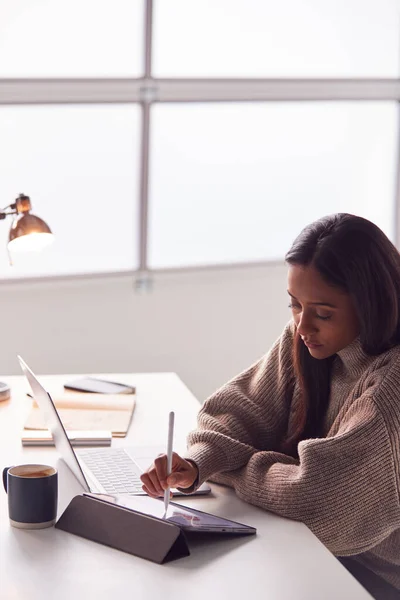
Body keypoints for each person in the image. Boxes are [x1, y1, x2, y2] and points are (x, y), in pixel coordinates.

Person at [140, 213, 400, 600]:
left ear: (370, 304)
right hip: (309, 549)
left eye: (322, 313)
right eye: (295, 304)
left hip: (371, 575)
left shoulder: (389, 385)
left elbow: (317, 500)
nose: (302, 325)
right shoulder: (306, 340)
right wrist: (196, 463)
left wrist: (237, 466)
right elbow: (235, 411)